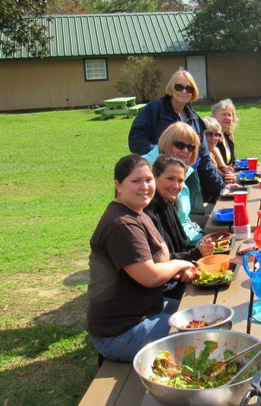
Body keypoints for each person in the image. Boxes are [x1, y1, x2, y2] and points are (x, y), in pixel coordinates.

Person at [87, 155, 197, 362]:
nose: (144, 187)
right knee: (201, 337)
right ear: (118, 185)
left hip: (147, 309)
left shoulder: (137, 213)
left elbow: (156, 263)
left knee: (201, 316)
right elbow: (150, 276)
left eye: (148, 180)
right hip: (121, 331)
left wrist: (178, 269)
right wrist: (181, 263)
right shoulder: (122, 225)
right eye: (136, 181)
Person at [128, 69, 228, 199]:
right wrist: (165, 157)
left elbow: (204, 160)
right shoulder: (153, 110)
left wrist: (223, 189)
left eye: (189, 88)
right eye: (179, 87)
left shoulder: (195, 120)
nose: (184, 91)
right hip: (157, 179)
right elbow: (136, 141)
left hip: (186, 182)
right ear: (171, 88)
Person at [144, 123, 210, 246]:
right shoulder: (147, 172)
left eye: (191, 147)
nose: (185, 151)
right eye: (180, 145)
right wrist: (199, 243)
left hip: (185, 238)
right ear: (167, 143)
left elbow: (183, 219)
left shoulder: (178, 169)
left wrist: (201, 237)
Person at [145, 155, 215, 262]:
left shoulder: (168, 203)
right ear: (154, 177)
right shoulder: (148, 211)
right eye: (170, 179)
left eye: (180, 181)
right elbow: (158, 259)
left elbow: (182, 245)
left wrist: (202, 246)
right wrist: (196, 253)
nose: (176, 186)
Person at [211, 98, 239, 165]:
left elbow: (232, 162)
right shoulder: (211, 137)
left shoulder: (228, 135)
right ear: (214, 117)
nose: (227, 118)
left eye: (229, 115)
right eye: (224, 114)